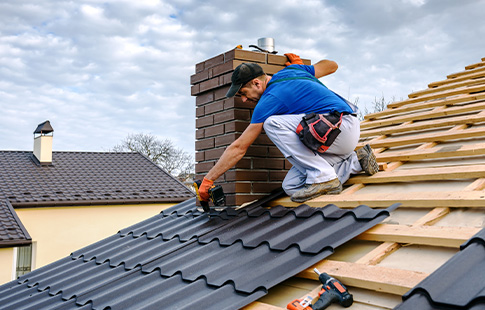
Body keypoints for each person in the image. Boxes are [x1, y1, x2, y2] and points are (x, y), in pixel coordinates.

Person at [198, 53, 378, 204]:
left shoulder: (270, 99)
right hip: (337, 137)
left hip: (339, 127)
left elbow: (239, 148)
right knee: (291, 186)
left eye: (243, 93)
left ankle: (324, 176)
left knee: (272, 123)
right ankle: (356, 161)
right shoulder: (293, 70)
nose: (244, 100)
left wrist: (209, 179)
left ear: (256, 83)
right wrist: (304, 69)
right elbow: (332, 65)